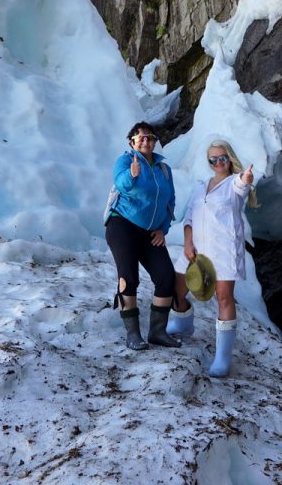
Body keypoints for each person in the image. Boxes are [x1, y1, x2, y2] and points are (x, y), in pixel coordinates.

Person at [168, 138, 255, 377]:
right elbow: (189, 218)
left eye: (222, 158)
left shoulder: (233, 185)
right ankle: (183, 322)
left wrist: (245, 179)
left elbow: (242, 185)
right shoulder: (201, 186)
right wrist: (187, 243)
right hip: (196, 250)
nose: (218, 162)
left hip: (224, 250)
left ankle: (222, 358)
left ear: (229, 159)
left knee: (224, 298)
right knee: (177, 288)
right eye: (213, 159)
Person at [106, 121, 182, 350]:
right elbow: (121, 184)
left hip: (150, 233)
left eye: (150, 138)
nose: (146, 141)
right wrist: (132, 174)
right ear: (132, 142)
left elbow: (170, 201)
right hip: (122, 225)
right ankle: (133, 334)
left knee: (166, 277)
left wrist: (163, 229)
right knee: (128, 277)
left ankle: (157, 332)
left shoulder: (163, 170)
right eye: (141, 138)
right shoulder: (126, 161)